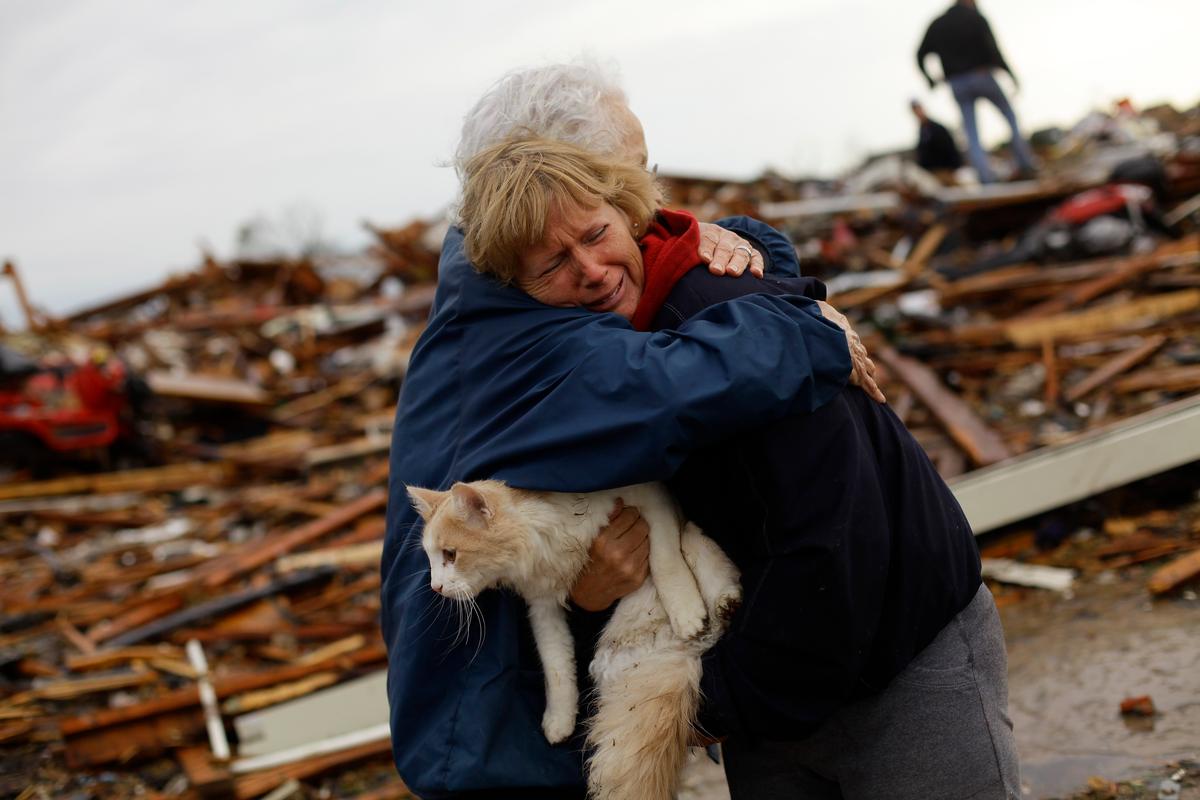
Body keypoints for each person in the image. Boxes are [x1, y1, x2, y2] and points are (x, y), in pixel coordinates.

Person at [457, 136, 1021, 800]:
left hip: (904, 664)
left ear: (626, 211)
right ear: (518, 291)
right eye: (553, 262)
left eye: (595, 234)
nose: (589, 268)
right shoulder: (583, 373)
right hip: (773, 689)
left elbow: (831, 542)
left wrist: (716, 703)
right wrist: (594, 597)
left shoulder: (721, 313)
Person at [381, 63, 875, 799]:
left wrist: (738, 241)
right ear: (545, 179)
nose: (649, 200)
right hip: (490, 734)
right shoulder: (519, 328)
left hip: (504, 709)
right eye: (629, 172)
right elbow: (674, 387)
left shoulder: (493, 281)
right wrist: (808, 325)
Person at [917, 0, 1037, 183]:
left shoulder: (938, 24)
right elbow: (995, 49)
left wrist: (931, 80)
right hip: (982, 75)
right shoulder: (975, 17)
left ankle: (985, 178)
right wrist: (1010, 75)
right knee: (1010, 118)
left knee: (972, 133)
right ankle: (1025, 164)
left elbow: (920, 54)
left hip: (957, 83)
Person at [911, 99, 963, 183]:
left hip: (944, 171)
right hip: (931, 173)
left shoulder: (936, 128)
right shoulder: (922, 130)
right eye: (915, 110)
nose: (917, 112)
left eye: (918, 109)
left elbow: (948, 148)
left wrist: (952, 168)